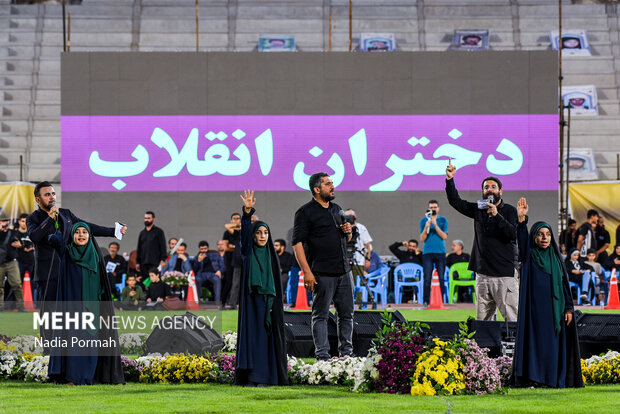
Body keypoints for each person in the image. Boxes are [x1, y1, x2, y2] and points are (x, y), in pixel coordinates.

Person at [27, 182, 126, 346]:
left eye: (53, 193)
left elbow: (85, 227)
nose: (52, 197)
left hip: (69, 271)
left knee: (70, 312)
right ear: (38, 199)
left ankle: (68, 346)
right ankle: (48, 349)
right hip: (47, 274)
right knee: (50, 314)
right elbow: (35, 236)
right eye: (47, 194)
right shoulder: (33, 218)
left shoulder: (65, 214)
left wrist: (112, 231)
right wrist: (50, 218)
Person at [512, 198, 583, 388]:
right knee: (535, 347)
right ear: (534, 237)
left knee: (553, 347)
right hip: (534, 314)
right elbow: (521, 238)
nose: (544, 238)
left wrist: (568, 308)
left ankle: (552, 380)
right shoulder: (529, 256)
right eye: (540, 234)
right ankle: (534, 379)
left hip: (556, 312)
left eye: (548, 234)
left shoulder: (557, 260)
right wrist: (521, 219)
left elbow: (564, 286)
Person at [47, 222, 125, 385]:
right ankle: (74, 378)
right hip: (71, 309)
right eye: (77, 232)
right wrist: (59, 222)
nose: (81, 235)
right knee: (74, 343)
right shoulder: (67, 252)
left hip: (92, 309)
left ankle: (88, 377)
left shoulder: (95, 257)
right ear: (72, 235)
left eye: (85, 232)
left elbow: (103, 285)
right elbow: (53, 239)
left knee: (89, 344)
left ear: (90, 236)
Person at [292, 172, 354, 360]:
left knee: (347, 315)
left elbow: (346, 239)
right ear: (317, 189)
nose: (332, 186)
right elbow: (297, 244)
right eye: (328, 184)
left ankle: (346, 355)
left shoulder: (337, 209)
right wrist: (307, 273)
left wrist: (348, 232)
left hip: (344, 271)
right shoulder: (305, 212)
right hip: (322, 273)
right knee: (320, 316)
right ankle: (323, 356)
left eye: (332, 183)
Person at [445, 164, 519, 321]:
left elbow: (513, 234)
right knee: (483, 321)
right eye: (486, 187)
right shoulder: (478, 209)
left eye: (493, 187)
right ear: (483, 192)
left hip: (504, 274)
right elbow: (456, 202)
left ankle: (514, 346)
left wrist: (497, 215)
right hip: (482, 274)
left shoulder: (510, 211)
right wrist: (450, 179)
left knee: (512, 318)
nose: (490, 190)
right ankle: (487, 347)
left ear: (500, 191)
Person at [235, 190, 288, 386]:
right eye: (259, 232)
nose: (262, 236)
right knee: (252, 339)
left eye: (266, 232)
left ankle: (266, 377)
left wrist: (273, 303)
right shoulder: (248, 252)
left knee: (266, 340)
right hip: (251, 302)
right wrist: (247, 213)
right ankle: (251, 377)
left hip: (268, 303)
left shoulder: (271, 256)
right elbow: (245, 233)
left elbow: (274, 282)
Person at [419, 200, 448, 306]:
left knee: (441, 277)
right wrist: (427, 226)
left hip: (440, 252)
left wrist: (435, 225)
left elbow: (444, 236)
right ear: (428, 209)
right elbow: (422, 239)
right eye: (431, 207)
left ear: (438, 208)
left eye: (435, 207)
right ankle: (426, 301)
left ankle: (441, 301)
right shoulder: (424, 220)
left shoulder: (443, 220)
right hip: (427, 253)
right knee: (427, 277)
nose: (433, 209)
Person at [0, 214, 25, 311]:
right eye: (2, 221)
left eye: (6, 221)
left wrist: (19, 245)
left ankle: (21, 306)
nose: (4, 223)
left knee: (17, 284)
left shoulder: (12, 232)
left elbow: (20, 243)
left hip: (11, 262)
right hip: (0, 263)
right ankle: (0, 307)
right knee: (0, 286)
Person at [136, 211, 166, 283]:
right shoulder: (142, 233)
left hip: (155, 262)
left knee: (154, 281)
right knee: (144, 281)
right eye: (145, 218)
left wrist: (163, 260)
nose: (147, 220)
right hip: (143, 262)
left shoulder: (159, 232)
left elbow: (163, 246)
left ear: (153, 219)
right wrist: (137, 262)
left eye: (149, 218)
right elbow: (139, 248)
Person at [222, 213, 242, 309]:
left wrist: (234, 247)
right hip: (232, 259)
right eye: (234, 218)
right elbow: (225, 248)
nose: (236, 220)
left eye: (238, 218)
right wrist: (237, 248)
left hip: (243, 258)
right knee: (230, 281)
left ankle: (238, 302)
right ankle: (226, 302)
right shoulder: (228, 232)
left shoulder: (243, 232)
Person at [15, 213, 35, 301]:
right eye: (22, 221)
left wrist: (32, 248)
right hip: (19, 262)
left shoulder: (32, 233)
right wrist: (20, 246)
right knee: (18, 284)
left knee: (34, 284)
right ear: (19, 221)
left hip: (32, 262)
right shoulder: (15, 234)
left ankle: (36, 304)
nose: (24, 223)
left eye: (26, 222)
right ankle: (17, 305)